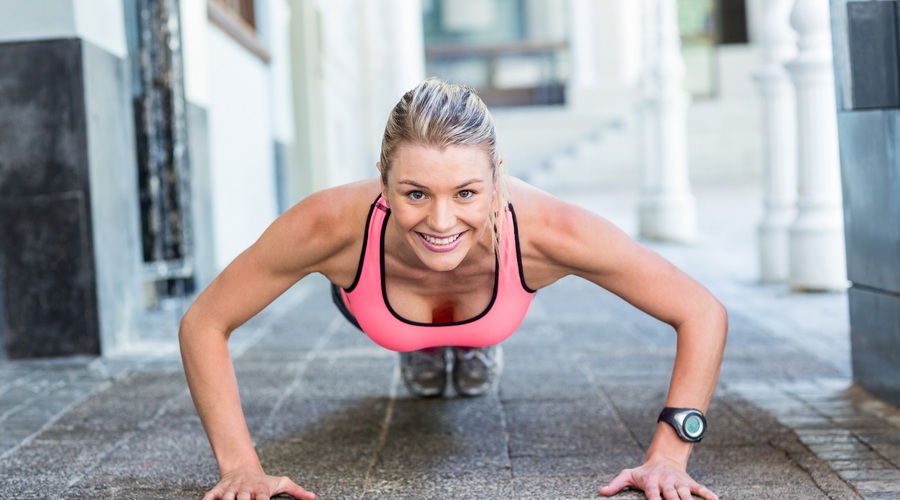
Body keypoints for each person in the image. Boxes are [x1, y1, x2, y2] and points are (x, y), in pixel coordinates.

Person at [179, 78, 728, 500]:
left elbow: (701, 311)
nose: (441, 222)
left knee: (472, 336)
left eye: (466, 192)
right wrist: (240, 468)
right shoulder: (328, 226)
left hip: (493, 302)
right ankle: (427, 353)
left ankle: (472, 344)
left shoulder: (552, 232)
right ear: (382, 178)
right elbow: (205, 321)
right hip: (373, 305)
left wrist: (670, 456)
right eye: (415, 194)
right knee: (411, 342)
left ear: (497, 177)